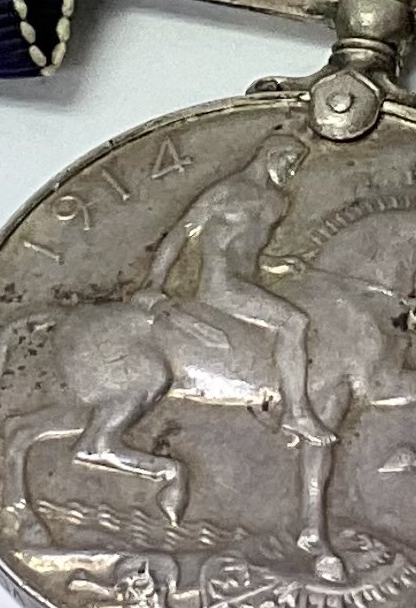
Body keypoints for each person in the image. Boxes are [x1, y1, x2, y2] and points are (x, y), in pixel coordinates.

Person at [141, 133, 329, 445]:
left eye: (296, 165)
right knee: (295, 322)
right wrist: (153, 285)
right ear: (269, 154)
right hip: (221, 287)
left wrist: (277, 263)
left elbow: (247, 250)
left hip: (249, 283)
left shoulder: (277, 202)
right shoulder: (226, 192)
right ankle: (296, 413)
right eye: (288, 160)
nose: (291, 170)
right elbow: (181, 234)